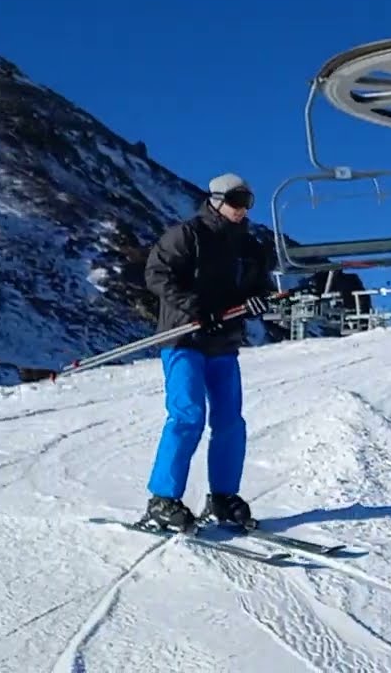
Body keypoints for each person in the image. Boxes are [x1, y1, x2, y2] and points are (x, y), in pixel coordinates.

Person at [140, 173, 274, 532]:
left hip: (224, 342)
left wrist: (256, 302)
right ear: (215, 200)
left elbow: (260, 285)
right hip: (184, 338)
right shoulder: (188, 235)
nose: (241, 209)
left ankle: (223, 498)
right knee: (188, 415)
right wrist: (197, 308)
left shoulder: (250, 245)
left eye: (247, 202)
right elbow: (156, 274)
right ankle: (163, 500)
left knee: (231, 420)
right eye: (235, 200)